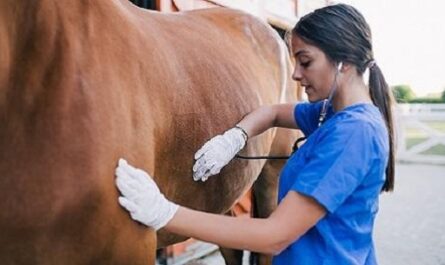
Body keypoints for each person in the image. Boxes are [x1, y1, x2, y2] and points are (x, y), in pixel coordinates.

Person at [114, 4, 396, 264]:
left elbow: (273, 236)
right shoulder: (333, 112)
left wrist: (164, 212)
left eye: (305, 61)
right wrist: (235, 137)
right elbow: (273, 113)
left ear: (343, 62)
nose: (295, 74)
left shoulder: (353, 134)